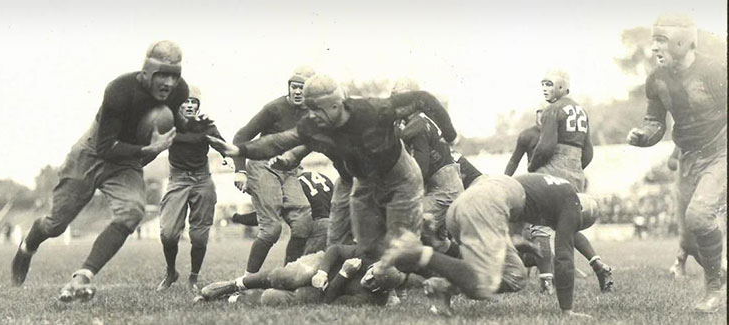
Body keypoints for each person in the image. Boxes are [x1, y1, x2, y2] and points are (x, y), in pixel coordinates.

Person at [208, 74, 458, 261]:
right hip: (362, 181)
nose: (311, 115)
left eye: (317, 108)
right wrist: (241, 150)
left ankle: (452, 263)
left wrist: (449, 133)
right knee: (363, 245)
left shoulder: (373, 111)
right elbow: (279, 141)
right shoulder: (313, 125)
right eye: (308, 108)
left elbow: (423, 99)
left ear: (336, 105)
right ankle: (365, 285)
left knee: (402, 248)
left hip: (399, 177)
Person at [10, 40, 184, 302]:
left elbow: (174, 126)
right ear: (148, 71)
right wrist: (147, 151)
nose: (169, 83)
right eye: (163, 74)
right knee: (56, 224)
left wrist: (186, 127)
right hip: (93, 152)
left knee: (133, 211)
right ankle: (28, 244)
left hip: (128, 159)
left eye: (174, 75)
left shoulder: (178, 93)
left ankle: (84, 276)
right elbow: (106, 147)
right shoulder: (120, 90)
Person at [381, 162, 605, 318]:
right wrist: (567, 309)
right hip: (484, 206)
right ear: (581, 211)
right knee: (483, 283)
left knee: (515, 275)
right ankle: (421, 252)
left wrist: (515, 240)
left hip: (466, 203)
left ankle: (443, 288)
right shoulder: (572, 202)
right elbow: (564, 258)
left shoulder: (549, 187)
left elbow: (510, 207)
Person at [626, 13, 727, 313]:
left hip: (721, 151)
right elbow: (654, 121)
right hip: (688, 157)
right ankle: (719, 274)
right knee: (690, 240)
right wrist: (644, 136)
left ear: (683, 41)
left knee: (699, 217)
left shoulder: (713, 70)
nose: (654, 47)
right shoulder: (656, 80)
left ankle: (713, 289)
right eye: (654, 39)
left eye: (662, 40)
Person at [524, 69, 611, 295]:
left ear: (562, 87)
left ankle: (546, 280)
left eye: (549, 84)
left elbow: (546, 147)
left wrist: (533, 167)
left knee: (540, 225)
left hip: (553, 171)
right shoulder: (581, 110)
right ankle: (598, 264)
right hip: (575, 173)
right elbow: (589, 152)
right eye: (543, 84)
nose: (544, 88)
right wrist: (574, 168)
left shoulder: (553, 109)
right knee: (567, 226)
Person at [231, 66, 316, 277]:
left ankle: (289, 276)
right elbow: (241, 137)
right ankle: (246, 280)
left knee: (303, 224)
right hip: (264, 166)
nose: (297, 92)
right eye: (294, 87)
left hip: (290, 170)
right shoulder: (275, 108)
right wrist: (240, 170)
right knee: (271, 229)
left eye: (302, 88)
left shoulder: (315, 115)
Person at [155, 85, 228, 294]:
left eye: (193, 102)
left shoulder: (205, 126)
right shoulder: (169, 125)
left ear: (198, 105)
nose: (188, 105)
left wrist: (230, 159)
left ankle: (194, 277)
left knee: (199, 236)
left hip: (202, 180)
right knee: (168, 233)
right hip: (178, 180)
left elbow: (224, 147)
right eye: (185, 102)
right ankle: (171, 272)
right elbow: (150, 145)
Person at [199, 243, 406, 306]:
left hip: (327, 289)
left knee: (273, 297)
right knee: (291, 277)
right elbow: (334, 250)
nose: (367, 277)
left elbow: (329, 301)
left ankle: (234, 299)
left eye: (372, 281)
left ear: (379, 289)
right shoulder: (367, 255)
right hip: (319, 264)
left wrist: (343, 273)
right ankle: (235, 285)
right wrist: (323, 271)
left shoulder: (370, 298)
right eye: (371, 272)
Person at [393, 78, 463, 257]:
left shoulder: (416, 125)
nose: (395, 103)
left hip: (444, 190)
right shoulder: (418, 120)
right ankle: (463, 269)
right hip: (445, 186)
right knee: (438, 243)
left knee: (403, 225)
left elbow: (420, 170)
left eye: (400, 98)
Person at [232, 170, 334, 255]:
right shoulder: (322, 177)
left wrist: (237, 218)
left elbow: (266, 216)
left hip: (313, 230)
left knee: (292, 271)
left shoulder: (291, 187)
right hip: (335, 229)